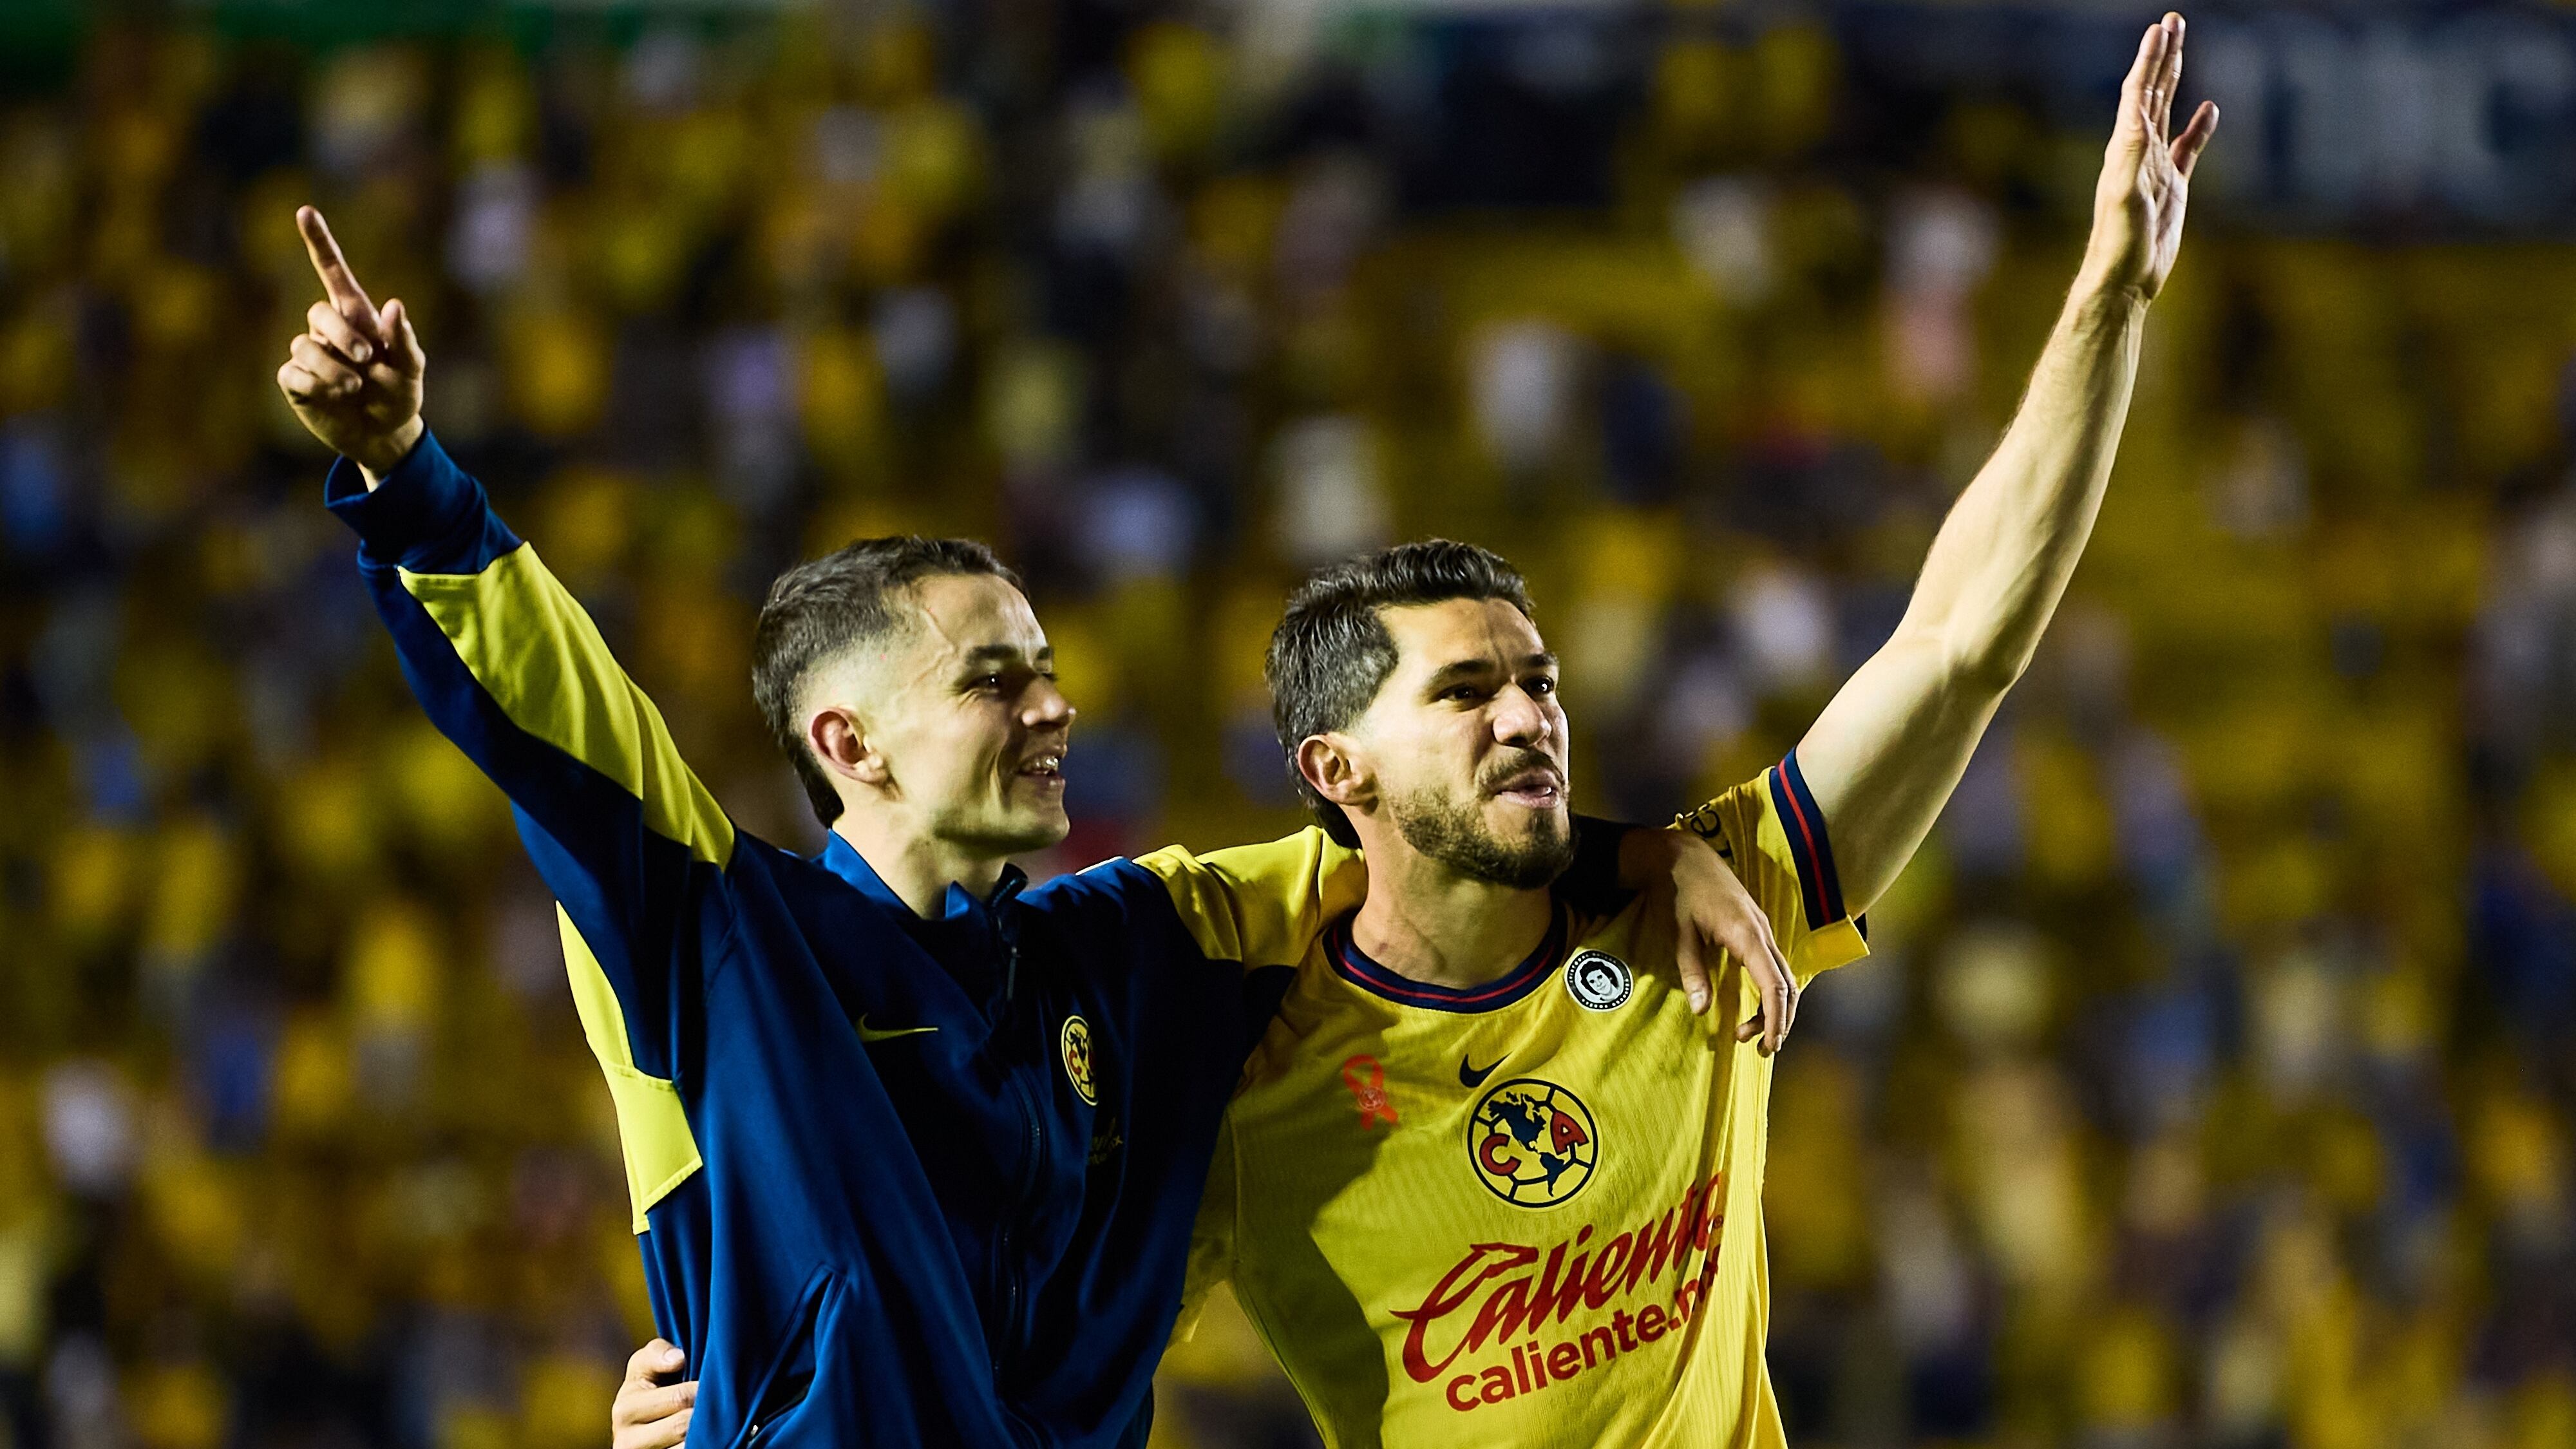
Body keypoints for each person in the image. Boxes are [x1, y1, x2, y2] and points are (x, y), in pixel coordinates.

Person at [619, 10, 2213, 1445]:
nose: (1527, 716)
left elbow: (1955, 646)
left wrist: (2103, 302)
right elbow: (984, 1310)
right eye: (1462, 693)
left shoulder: (1708, 913)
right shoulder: (1229, 1041)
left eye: (1539, 683)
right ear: (1334, 773)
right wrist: (713, 1410)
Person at [272, 213, 1785, 1446]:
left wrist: (1638, 851)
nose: (1055, 706)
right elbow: (561, 718)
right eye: (996, 679)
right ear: (845, 743)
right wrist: (412, 482)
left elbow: (1414, 847)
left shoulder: (1135, 949)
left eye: (1050, 669)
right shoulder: (734, 947)